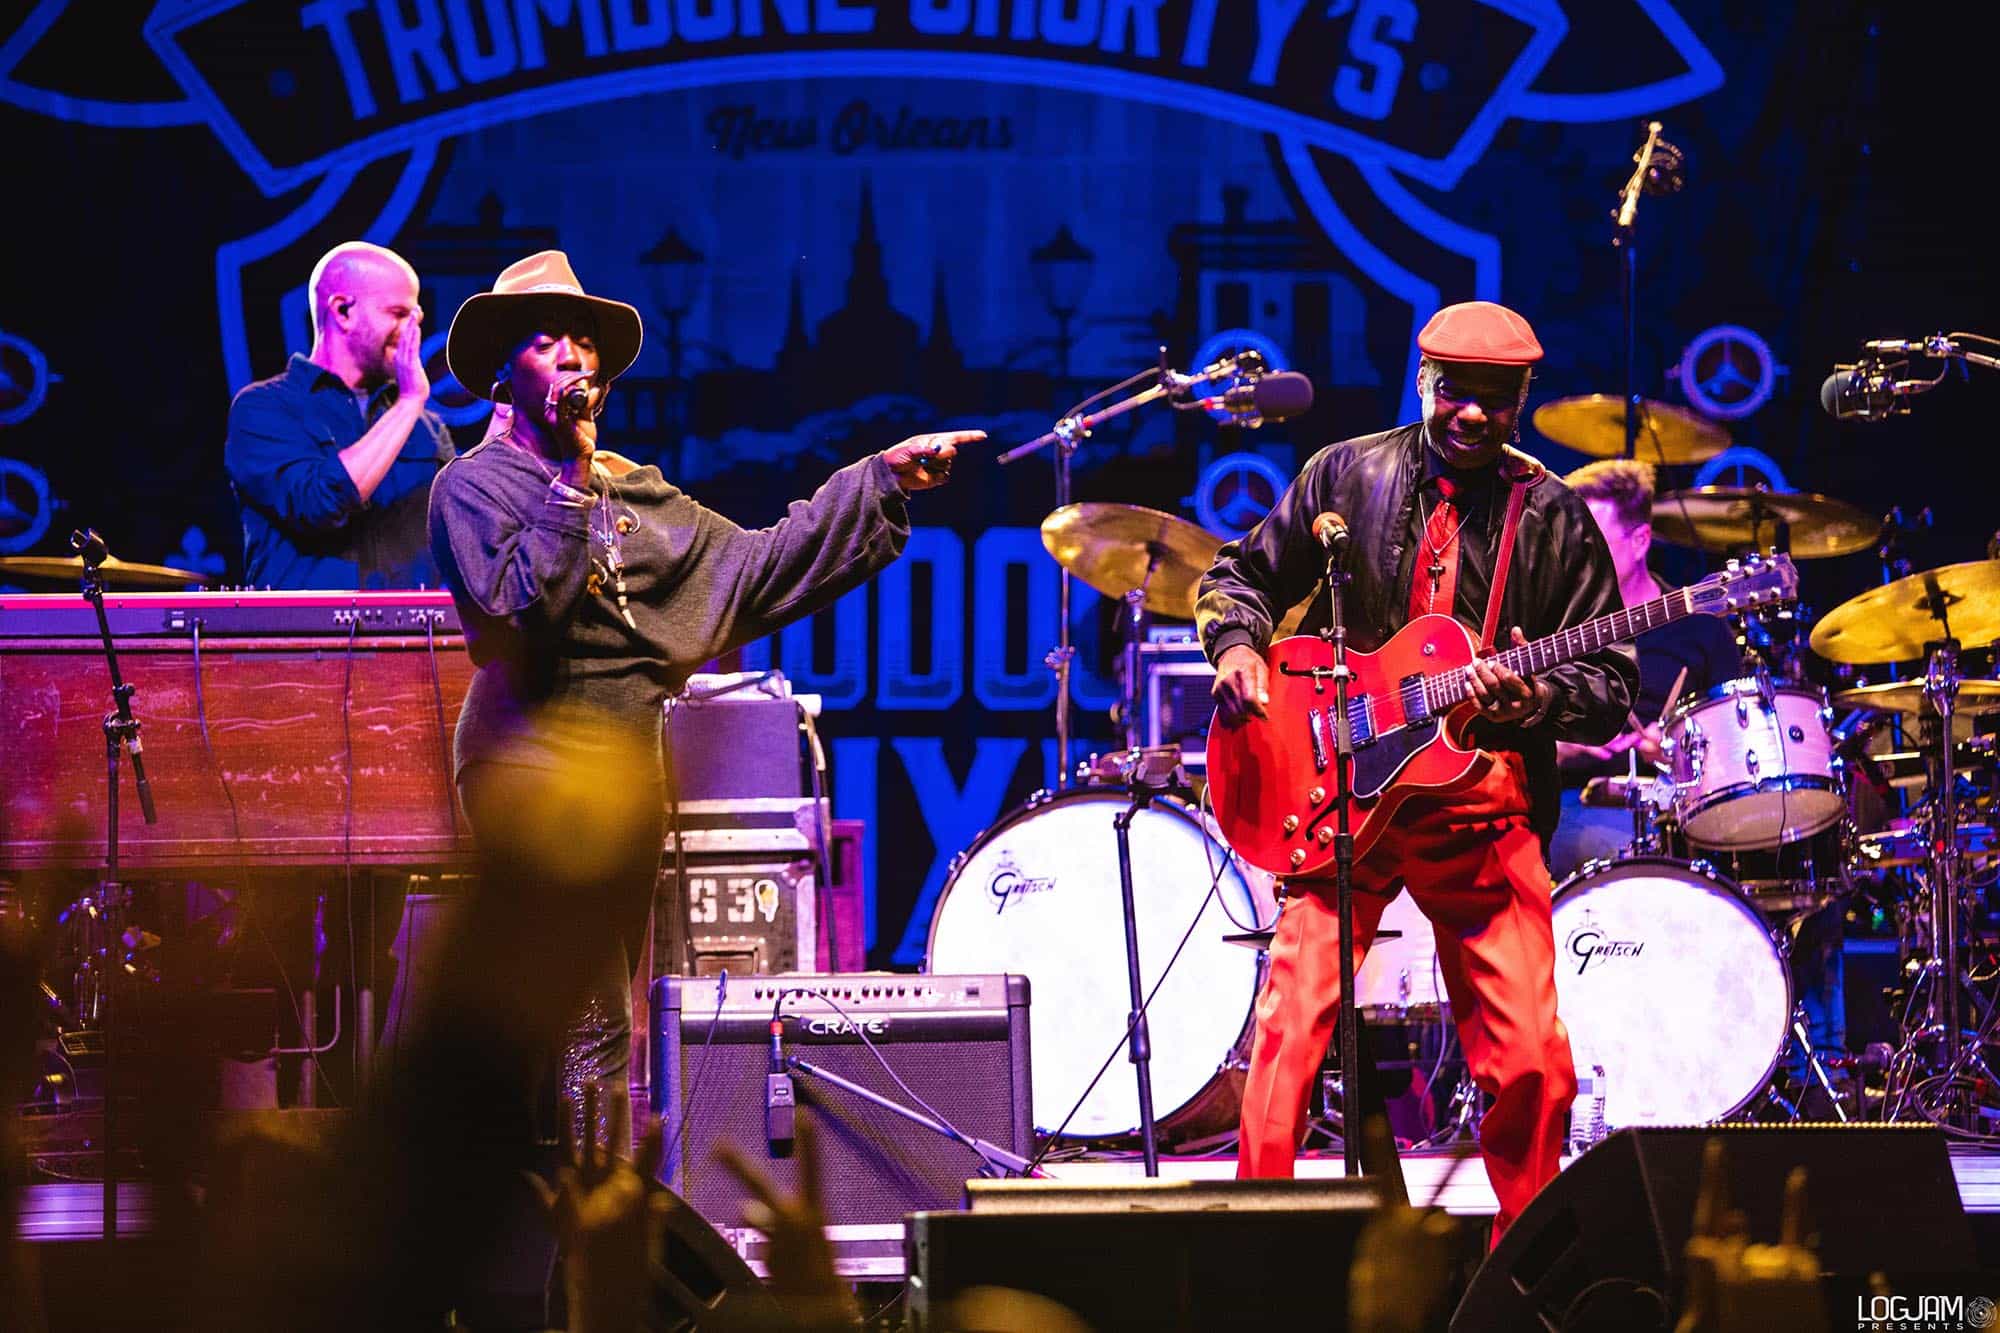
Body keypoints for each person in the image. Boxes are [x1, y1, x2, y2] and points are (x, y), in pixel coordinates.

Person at [427, 250, 980, 1132]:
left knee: (604, 1013)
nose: (574, 356)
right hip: (529, 766)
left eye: (582, 341)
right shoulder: (474, 487)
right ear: (505, 370)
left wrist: (874, 478)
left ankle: (560, 1228)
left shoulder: (632, 491)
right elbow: (513, 610)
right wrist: (570, 485)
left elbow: (751, 568)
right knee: (589, 1017)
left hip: (621, 775)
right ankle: (591, 1236)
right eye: (547, 342)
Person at [1197, 300, 1637, 1240]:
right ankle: (1250, 1254)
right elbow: (1237, 577)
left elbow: (1610, 683)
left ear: (1521, 400)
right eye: (1452, 391)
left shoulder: (1553, 518)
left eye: (1492, 398)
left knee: (1530, 1062)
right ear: (1423, 381)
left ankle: (1526, 1266)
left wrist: (1536, 704)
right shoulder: (1345, 472)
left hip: (1479, 812)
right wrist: (1237, 649)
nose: (1469, 413)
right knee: (1286, 1034)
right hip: (1340, 796)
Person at [1550, 458, 1741, 880]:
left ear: (1640, 542)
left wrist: (1678, 754)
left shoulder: (1699, 628)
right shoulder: (1553, 623)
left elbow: (1732, 743)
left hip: (1678, 807)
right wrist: (1563, 748)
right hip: (1574, 804)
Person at [224, 240, 452, 589]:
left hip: (416, 641)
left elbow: (461, 535)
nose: (413, 332)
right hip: (302, 640)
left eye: (417, 317)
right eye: (398, 313)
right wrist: (408, 403)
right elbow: (319, 504)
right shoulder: (264, 408)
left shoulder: (428, 429)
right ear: (343, 311)